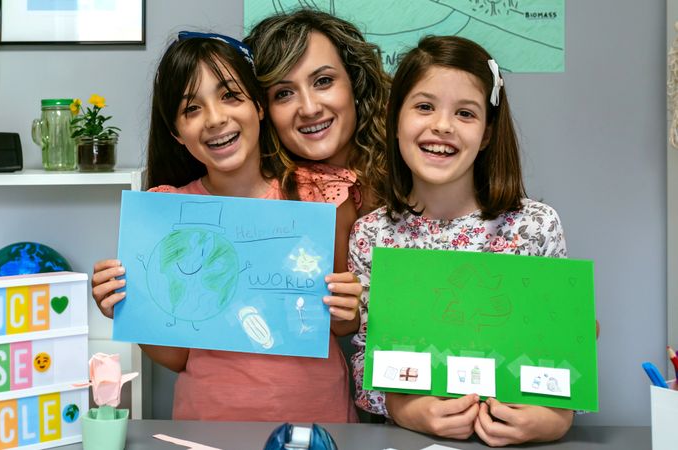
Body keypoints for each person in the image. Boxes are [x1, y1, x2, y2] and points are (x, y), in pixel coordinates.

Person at [91, 31, 362, 423]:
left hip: (319, 422)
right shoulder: (165, 213)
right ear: (176, 133)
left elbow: (340, 325)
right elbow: (179, 357)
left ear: (260, 106)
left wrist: (347, 308)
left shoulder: (322, 195)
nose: (216, 119)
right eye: (191, 109)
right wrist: (127, 307)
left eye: (230, 96)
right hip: (210, 422)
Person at [348, 35, 574, 446]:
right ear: (394, 118)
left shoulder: (535, 227)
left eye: (465, 113)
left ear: (486, 134)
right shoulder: (371, 235)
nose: (442, 126)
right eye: (423, 106)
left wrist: (556, 420)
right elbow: (367, 361)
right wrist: (406, 409)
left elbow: (560, 356)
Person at [244, 9, 391, 214]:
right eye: (284, 93)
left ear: (355, 82)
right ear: (263, 110)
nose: (310, 109)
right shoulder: (261, 204)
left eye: (323, 81)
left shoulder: (413, 169)